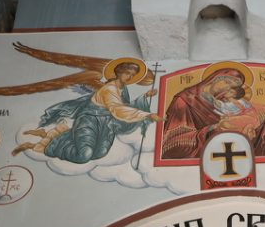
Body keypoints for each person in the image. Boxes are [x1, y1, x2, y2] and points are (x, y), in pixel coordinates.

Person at [14, 61, 161, 163]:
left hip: (107, 124)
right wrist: (147, 115)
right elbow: (117, 109)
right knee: (84, 155)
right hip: (90, 120)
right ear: (119, 72)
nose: (129, 77)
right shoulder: (109, 89)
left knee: (100, 153)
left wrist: (144, 97)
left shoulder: (123, 90)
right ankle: (49, 143)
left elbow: (125, 106)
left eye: (132, 75)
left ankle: (63, 135)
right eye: (127, 73)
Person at [161, 69, 265, 159]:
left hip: (238, 139)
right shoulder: (185, 100)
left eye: (234, 87)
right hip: (209, 147)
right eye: (228, 82)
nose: (230, 88)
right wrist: (214, 129)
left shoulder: (229, 102)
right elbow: (171, 144)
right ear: (215, 78)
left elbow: (249, 109)